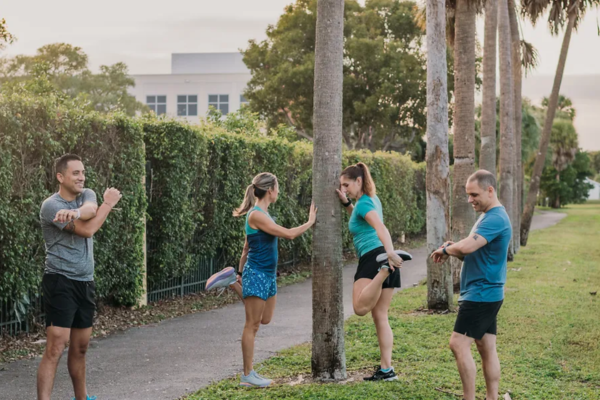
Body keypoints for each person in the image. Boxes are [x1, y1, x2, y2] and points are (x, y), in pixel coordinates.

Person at [206, 172, 317, 388]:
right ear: (269, 190)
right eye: (277, 187)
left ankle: (231, 280)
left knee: (265, 319)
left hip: (268, 275)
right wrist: (310, 222)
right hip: (256, 273)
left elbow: (246, 246)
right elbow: (289, 234)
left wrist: (238, 272)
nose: (279, 191)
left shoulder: (263, 215)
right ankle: (248, 375)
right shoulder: (256, 215)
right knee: (252, 325)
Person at [37, 154, 122, 400]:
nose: (81, 177)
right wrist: (109, 204)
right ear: (60, 177)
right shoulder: (51, 206)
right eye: (75, 173)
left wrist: (74, 213)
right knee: (56, 346)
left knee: (80, 347)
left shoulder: (87, 194)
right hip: (60, 280)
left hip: (85, 281)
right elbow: (88, 229)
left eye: (83, 172)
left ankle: (81, 398)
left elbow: (89, 210)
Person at [431, 170, 511, 400]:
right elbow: (472, 253)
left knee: (458, 344)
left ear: (490, 190)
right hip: (487, 291)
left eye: (474, 194)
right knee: (486, 347)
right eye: (468, 195)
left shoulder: (495, 217)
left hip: (481, 293)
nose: (469, 200)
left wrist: (447, 249)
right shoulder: (488, 216)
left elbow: (467, 248)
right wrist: (454, 248)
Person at [336, 162, 403, 382]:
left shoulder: (365, 203)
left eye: (346, 184)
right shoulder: (371, 200)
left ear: (359, 181)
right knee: (380, 315)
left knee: (359, 308)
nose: (344, 188)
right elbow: (359, 217)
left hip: (375, 258)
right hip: (382, 254)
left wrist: (390, 254)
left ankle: (384, 271)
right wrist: (346, 202)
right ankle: (387, 369)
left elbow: (380, 227)